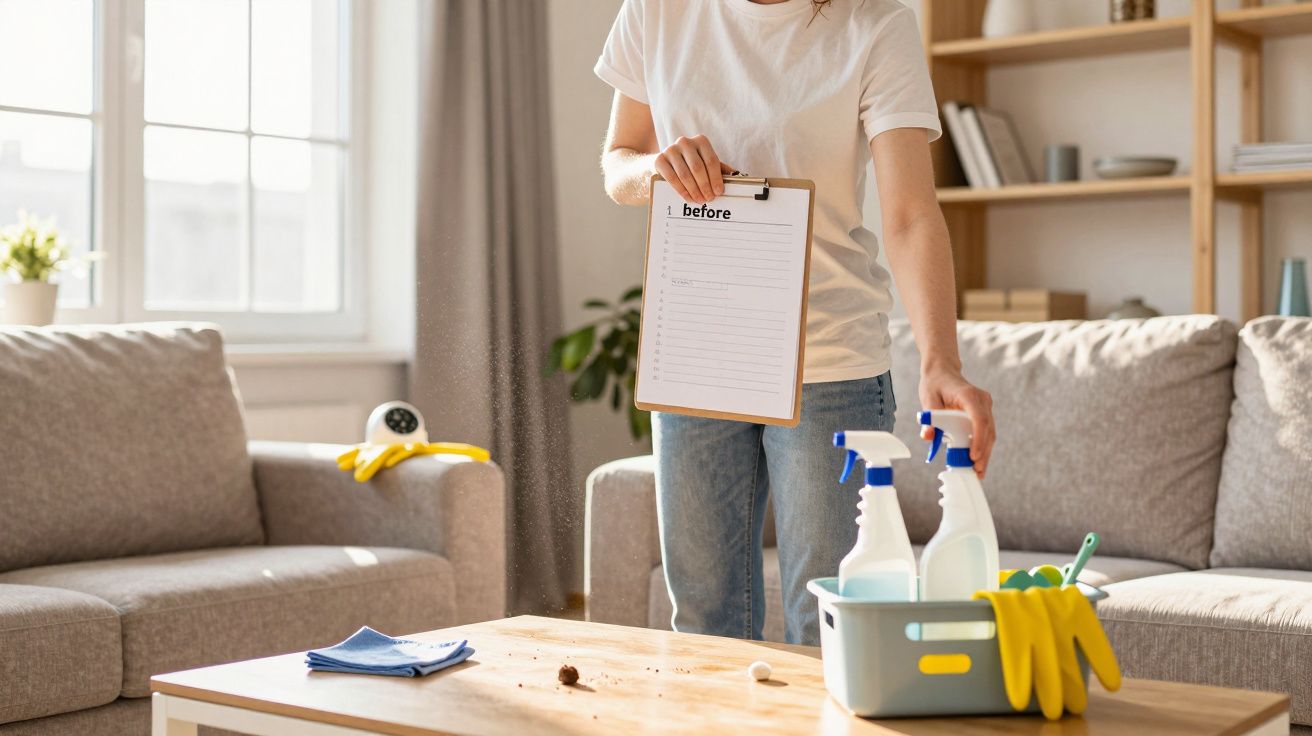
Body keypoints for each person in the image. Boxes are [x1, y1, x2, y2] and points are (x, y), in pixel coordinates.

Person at [595, 0, 996, 646]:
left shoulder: (874, 23)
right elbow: (618, 161)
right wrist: (655, 171)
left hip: (830, 365)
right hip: (699, 353)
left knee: (829, 627)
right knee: (703, 625)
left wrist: (939, 359)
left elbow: (911, 215)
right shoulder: (658, 10)